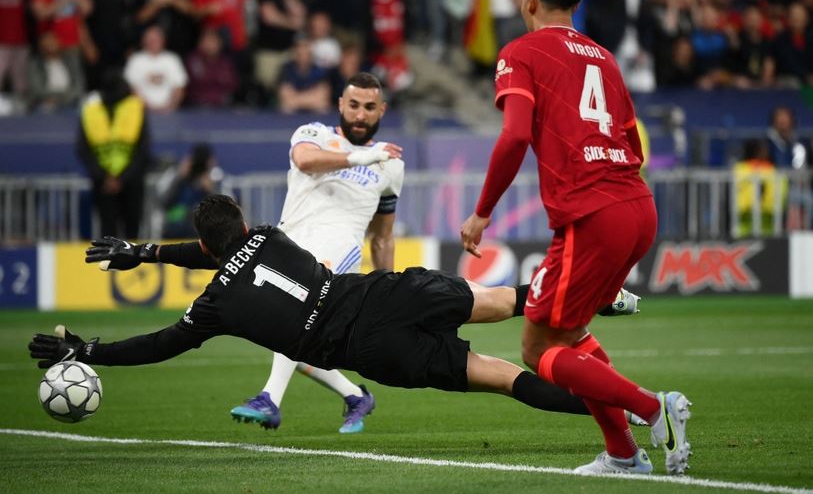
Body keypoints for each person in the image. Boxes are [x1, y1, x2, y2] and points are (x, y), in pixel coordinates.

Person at [31, 194, 604, 431]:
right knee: (507, 300)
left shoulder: (214, 306)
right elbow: (221, 251)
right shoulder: (270, 236)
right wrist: (148, 251)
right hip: (384, 295)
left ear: (206, 247)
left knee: (502, 377)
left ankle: (618, 414)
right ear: (245, 226)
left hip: (372, 350)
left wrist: (88, 350)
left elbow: (158, 344)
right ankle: (601, 292)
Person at [459, 0, 691, 476]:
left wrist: (481, 213)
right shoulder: (604, 58)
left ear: (529, 0)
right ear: (575, 3)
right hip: (636, 205)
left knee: (537, 348)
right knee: (570, 334)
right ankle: (623, 455)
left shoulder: (520, 52)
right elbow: (632, 144)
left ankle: (654, 408)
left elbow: (515, 136)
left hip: (592, 213)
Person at [233, 72, 403, 434]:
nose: (360, 114)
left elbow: (383, 237)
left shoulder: (391, 165)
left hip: (340, 248)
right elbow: (305, 160)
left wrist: (387, 288)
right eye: (353, 105)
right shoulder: (314, 133)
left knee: (295, 317)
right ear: (340, 104)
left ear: (382, 110)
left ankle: (269, 399)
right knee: (287, 334)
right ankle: (355, 396)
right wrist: (362, 157)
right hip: (287, 243)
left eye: (369, 107)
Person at [76, 70, 150, 239]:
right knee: (127, 232)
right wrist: (117, 179)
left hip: (112, 182)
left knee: (111, 232)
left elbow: (83, 150)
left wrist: (108, 178)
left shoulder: (90, 111)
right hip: (121, 182)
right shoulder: (135, 108)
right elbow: (143, 149)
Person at [158, 143, 221, 239]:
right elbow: (164, 203)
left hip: (201, 232)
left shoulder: (215, 178)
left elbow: (222, 212)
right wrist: (179, 178)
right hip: (174, 229)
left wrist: (210, 191)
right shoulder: (177, 176)